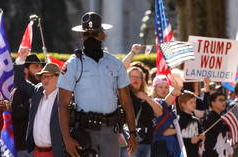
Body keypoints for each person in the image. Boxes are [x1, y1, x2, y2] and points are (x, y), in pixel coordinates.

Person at [57, 12, 137, 157]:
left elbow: (126, 101)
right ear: (82, 36)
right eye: (87, 34)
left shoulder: (115, 64)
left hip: (111, 131)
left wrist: (132, 132)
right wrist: (66, 138)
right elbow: (63, 103)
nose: (91, 37)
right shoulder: (73, 64)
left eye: (95, 33)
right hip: (84, 131)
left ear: (102, 35)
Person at [14, 48, 64, 157]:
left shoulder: (64, 97)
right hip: (36, 151)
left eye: (49, 76)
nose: (45, 80)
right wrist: (21, 59)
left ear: (58, 78)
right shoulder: (38, 91)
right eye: (42, 77)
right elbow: (19, 81)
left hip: (56, 152)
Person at [124, 67, 163, 157]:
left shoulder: (146, 95)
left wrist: (146, 98)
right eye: (132, 76)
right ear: (127, 78)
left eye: (139, 77)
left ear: (142, 80)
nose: (136, 79)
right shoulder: (125, 95)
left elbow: (159, 112)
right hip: (130, 141)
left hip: (147, 141)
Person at [11, 54, 43, 157]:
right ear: (25, 70)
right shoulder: (19, 91)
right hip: (24, 148)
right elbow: (17, 115)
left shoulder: (43, 90)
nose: (40, 69)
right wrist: (31, 102)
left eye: (41, 66)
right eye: (35, 66)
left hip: (40, 146)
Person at [202, 92, 233, 157]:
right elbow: (222, 128)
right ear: (213, 103)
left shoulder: (220, 117)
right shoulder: (210, 116)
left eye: (224, 100)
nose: (223, 102)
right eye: (220, 100)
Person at [177, 91, 205, 157]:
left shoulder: (196, 120)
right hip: (182, 154)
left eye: (195, 102)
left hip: (194, 153)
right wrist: (189, 140)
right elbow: (176, 138)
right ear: (183, 104)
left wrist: (201, 137)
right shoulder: (178, 120)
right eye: (191, 102)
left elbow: (200, 135)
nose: (194, 104)